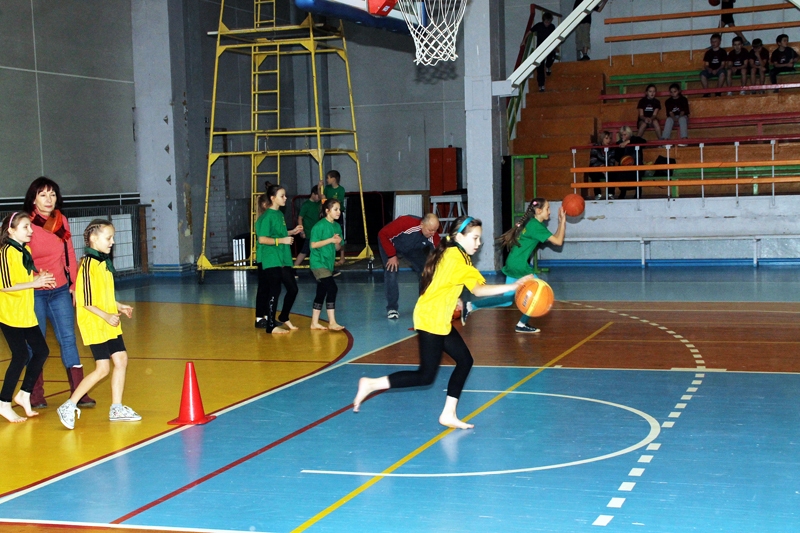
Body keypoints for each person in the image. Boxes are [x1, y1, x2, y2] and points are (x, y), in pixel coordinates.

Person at [352, 215, 533, 429]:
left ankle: (449, 414)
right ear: (459, 236)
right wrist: (514, 286)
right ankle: (372, 384)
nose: (478, 243)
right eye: (474, 238)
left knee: (465, 361)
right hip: (431, 319)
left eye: (479, 239)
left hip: (438, 316)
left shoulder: (453, 252)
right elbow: (478, 290)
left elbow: (440, 279)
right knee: (425, 376)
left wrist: (452, 296)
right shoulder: (456, 258)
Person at [56, 219, 140, 430]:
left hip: (107, 320)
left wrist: (118, 306)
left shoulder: (103, 263)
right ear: (94, 238)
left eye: (113, 238)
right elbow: (85, 302)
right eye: (108, 237)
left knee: (121, 359)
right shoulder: (87, 265)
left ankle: (116, 407)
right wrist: (105, 315)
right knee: (103, 368)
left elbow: (102, 296)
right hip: (95, 323)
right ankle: (69, 405)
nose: (112, 242)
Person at [24, 176, 94, 409]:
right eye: (43, 194)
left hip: (60, 290)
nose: (48, 199)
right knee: (36, 344)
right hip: (34, 292)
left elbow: (69, 254)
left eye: (52, 194)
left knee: (68, 339)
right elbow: (19, 261)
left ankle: (79, 392)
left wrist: (74, 285)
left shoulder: (60, 219)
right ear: (33, 199)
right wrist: (33, 280)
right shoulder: (26, 225)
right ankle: (34, 394)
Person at [463, 199, 565, 334]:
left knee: (507, 300)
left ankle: (470, 306)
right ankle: (522, 323)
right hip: (519, 265)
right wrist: (563, 222)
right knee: (538, 290)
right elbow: (558, 241)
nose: (550, 212)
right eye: (547, 209)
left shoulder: (533, 224)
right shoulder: (535, 226)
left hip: (513, 262)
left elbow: (556, 238)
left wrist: (560, 222)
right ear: (539, 211)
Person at [0, 213, 55, 423]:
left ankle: (23, 394)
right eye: (25, 227)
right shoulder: (5, 252)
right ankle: (4, 402)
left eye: (30, 227)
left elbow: (24, 278)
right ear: (11, 230)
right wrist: (34, 283)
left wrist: (40, 279)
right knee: (20, 356)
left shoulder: (25, 250)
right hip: (9, 313)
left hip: (25, 312)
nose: (30, 231)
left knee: (41, 351)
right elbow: (5, 285)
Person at [255, 184, 302, 333]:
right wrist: (281, 241)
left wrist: (292, 232)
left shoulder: (279, 215)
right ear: (272, 198)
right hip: (270, 257)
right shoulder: (266, 216)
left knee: (293, 288)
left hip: (282, 257)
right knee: (273, 290)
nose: (285, 198)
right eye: (282, 196)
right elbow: (262, 239)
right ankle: (270, 326)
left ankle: (283, 316)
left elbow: (279, 233)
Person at [378, 213, 440, 319]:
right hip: (390, 243)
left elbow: (440, 255)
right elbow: (382, 234)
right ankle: (392, 308)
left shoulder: (433, 235)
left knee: (426, 270)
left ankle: (423, 304)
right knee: (391, 272)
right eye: (430, 230)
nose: (432, 233)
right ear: (422, 225)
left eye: (435, 230)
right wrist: (392, 255)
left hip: (411, 248)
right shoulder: (406, 223)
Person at [309, 199, 345, 331]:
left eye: (339, 209)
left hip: (328, 264)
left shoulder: (336, 226)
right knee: (332, 288)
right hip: (318, 263)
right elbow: (313, 245)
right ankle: (332, 322)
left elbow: (337, 248)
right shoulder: (319, 226)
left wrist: (337, 242)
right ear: (327, 211)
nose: (338, 212)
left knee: (322, 291)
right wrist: (330, 239)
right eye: (335, 209)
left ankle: (314, 322)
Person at [322, 170, 346, 266]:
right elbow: (323, 199)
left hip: (336, 214)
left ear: (334, 179)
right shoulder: (327, 188)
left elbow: (337, 202)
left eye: (328, 177)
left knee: (339, 235)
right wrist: (320, 187)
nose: (327, 180)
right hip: (328, 214)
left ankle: (342, 256)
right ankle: (329, 258)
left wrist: (328, 201)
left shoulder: (341, 189)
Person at [293, 185, 322, 267]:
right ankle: (294, 268)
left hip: (318, 232)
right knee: (304, 251)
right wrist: (302, 231)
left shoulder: (319, 203)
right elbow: (300, 218)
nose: (319, 198)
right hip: (309, 233)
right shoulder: (306, 205)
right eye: (318, 196)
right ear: (313, 194)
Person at [615, 126, 646, 199]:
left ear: (629, 134)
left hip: (636, 166)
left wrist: (628, 141)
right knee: (621, 173)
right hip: (624, 167)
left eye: (625, 134)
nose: (623, 136)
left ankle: (638, 192)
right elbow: (617, 158)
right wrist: (621, 149)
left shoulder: (636, 140)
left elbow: (644, 142)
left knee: (636, 172)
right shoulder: (618, 143)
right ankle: (623, 192)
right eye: (622, 135)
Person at [531, 12, 556, 92]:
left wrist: (556, 46)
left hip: (549, 47)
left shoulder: (552, 27)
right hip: (540, 49)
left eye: (549, 22)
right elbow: (530, 31)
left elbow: (554, 37)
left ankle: (548, 66)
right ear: (543, 20)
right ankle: (541, 85)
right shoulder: (539, 26)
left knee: (551, 57)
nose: (547, 24)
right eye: (546, 22)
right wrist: (523, 41)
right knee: (540, 67)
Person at [588, 131, 617, 200]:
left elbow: (612, 160)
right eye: (606, 138)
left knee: (613, 173)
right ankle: (598, 194)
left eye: (609, 138)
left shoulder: (612, 148)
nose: (608, 140)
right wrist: (601, 166)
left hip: (608, 168)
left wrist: (607, 168)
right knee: (594, 174)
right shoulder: (595, 147)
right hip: (597, 168)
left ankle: (610, 194)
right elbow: (593, 160)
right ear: (602, 139)